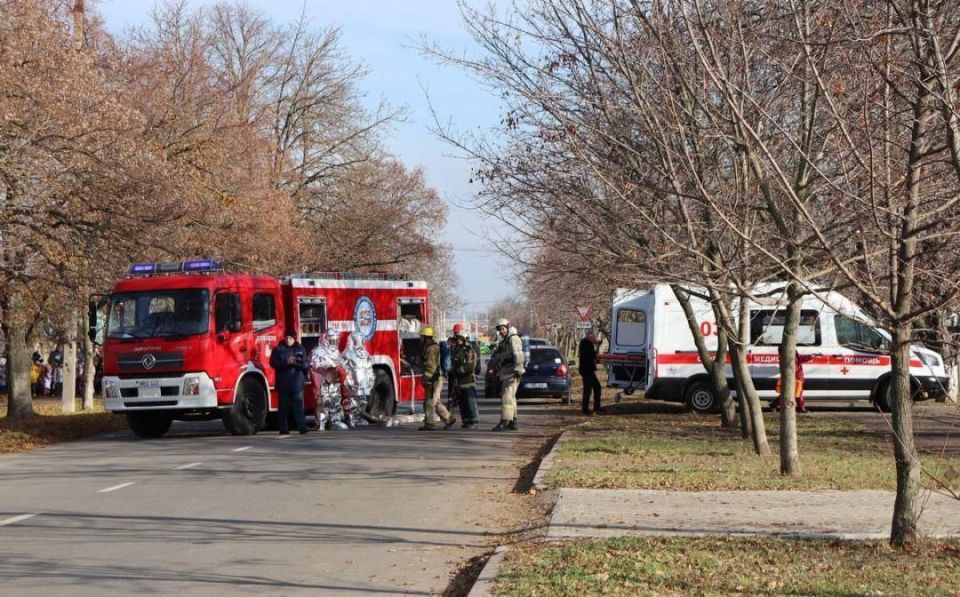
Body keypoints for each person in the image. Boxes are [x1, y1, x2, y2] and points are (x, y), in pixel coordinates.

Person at [270, 332, 309, 434]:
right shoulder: (278, 349)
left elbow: (306, 364)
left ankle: (302, 427)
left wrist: (297, 362)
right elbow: (274, 363)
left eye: (290, 338)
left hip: (297, 383)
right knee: (283, 408)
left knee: (298, 406)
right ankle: (283, 428)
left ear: (294, 339)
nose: (288, 340)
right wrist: (286, 362)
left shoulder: (300, 349)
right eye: (286, 338)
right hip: (283, 383)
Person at [418, 325, 456, 431]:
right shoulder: (429, 347)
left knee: (432, 401)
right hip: (433, 378)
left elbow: (431, 366)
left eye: (422, 336)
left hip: (435, 379)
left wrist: (425, 377)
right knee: (431, 401)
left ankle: (437, 422)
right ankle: (442, 420)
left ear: (427, 337)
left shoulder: (431, 348)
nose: (420, 338)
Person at [490, 318, 524, 431]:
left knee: (506, 397)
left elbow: (518, 355)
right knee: (511, 397)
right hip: (505, 372)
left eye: (503, 329)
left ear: (508, 328)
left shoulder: (513, 339)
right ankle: (513, 421)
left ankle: (505, 420)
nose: (501, 331)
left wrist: (518, 370)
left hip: (512, 373)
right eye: (500, 329)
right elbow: (500, 355)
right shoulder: (504, 341)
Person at [452, 329, 480, 428]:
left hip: (468, 379)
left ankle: (473, 420)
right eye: (457, 338)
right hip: (459, 380)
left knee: (469, 401)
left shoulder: (469, 350)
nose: (458, 340)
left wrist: (460, 369)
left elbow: (471, 365)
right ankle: (466, 421)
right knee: (462, 402)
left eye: (460, 338)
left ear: (464, 339)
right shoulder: (456, 350)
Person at [579, 331, 605, 415]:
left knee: (597, 388)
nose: (594, 339)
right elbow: (591, 355)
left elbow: (593, 355)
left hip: (588, 370)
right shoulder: (585, 345)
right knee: (588, 390)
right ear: (589, 338)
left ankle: (596, 407)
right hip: (586, 370)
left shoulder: (587, 344)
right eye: (593, 338)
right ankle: (585, 409)